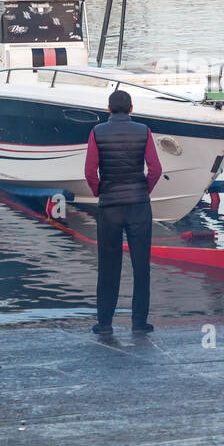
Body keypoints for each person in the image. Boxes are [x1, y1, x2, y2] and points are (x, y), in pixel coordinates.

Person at [84, 90, 162, 335]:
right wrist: (143, 191)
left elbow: (89, 172)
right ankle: (139, 323)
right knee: (141, 266)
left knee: (108, 266)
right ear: (131, 109)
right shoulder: (144, 131)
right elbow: (156, 169)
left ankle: (105, 323)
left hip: (109, 209)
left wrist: (100, 192)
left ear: (108, 109)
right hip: (139, 207)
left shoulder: (97, 132)